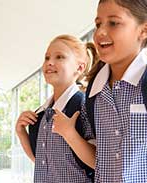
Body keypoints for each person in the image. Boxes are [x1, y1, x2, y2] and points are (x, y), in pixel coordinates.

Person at [54, 0, 147, 182]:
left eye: (113, 23)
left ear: (144, 30)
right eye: (98, 24)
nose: (100, 33)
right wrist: (70, 134)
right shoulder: (93, 94)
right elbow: (99, 161)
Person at [15, 34, 96, 183]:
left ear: (79, 67)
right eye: (47, 58)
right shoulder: (42, 113)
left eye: (59, 57)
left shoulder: (84, 106)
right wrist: (21, 132)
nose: (50, 62)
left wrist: (69, 133)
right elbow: (40, 160)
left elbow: (98, 162)